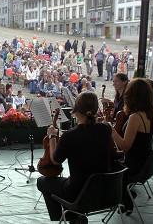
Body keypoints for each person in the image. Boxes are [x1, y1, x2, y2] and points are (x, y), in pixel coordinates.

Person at [37, 92, 114, 223]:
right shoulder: (106, 129)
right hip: (105, 190)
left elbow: (55, 161)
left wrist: (52, 137)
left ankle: (66, 217)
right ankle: (74, 216)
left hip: (79, 192)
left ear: (76, 110)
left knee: (42, 181)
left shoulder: (70, 136)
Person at [110, 78, 153, 214]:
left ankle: (122, 198)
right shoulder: (151, 113)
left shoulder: (135, 117)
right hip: (144, 164)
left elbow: (125, 146)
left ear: (133, 96)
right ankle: (125, 196)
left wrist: (110, 130)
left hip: (133, 166)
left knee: (106, 163)